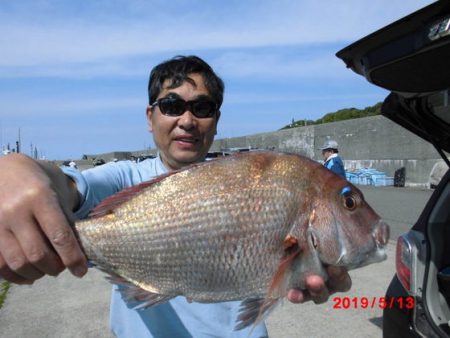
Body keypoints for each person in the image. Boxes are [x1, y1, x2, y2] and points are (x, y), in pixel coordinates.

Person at [0, 56, 351, 337]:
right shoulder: (125, 178)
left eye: (202, 108)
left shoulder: (247, 179)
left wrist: (304, 267)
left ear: (216, 120)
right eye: (171, 105)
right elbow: (70, 187)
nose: (187, 120)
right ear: (150, 117)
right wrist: (23, 170)